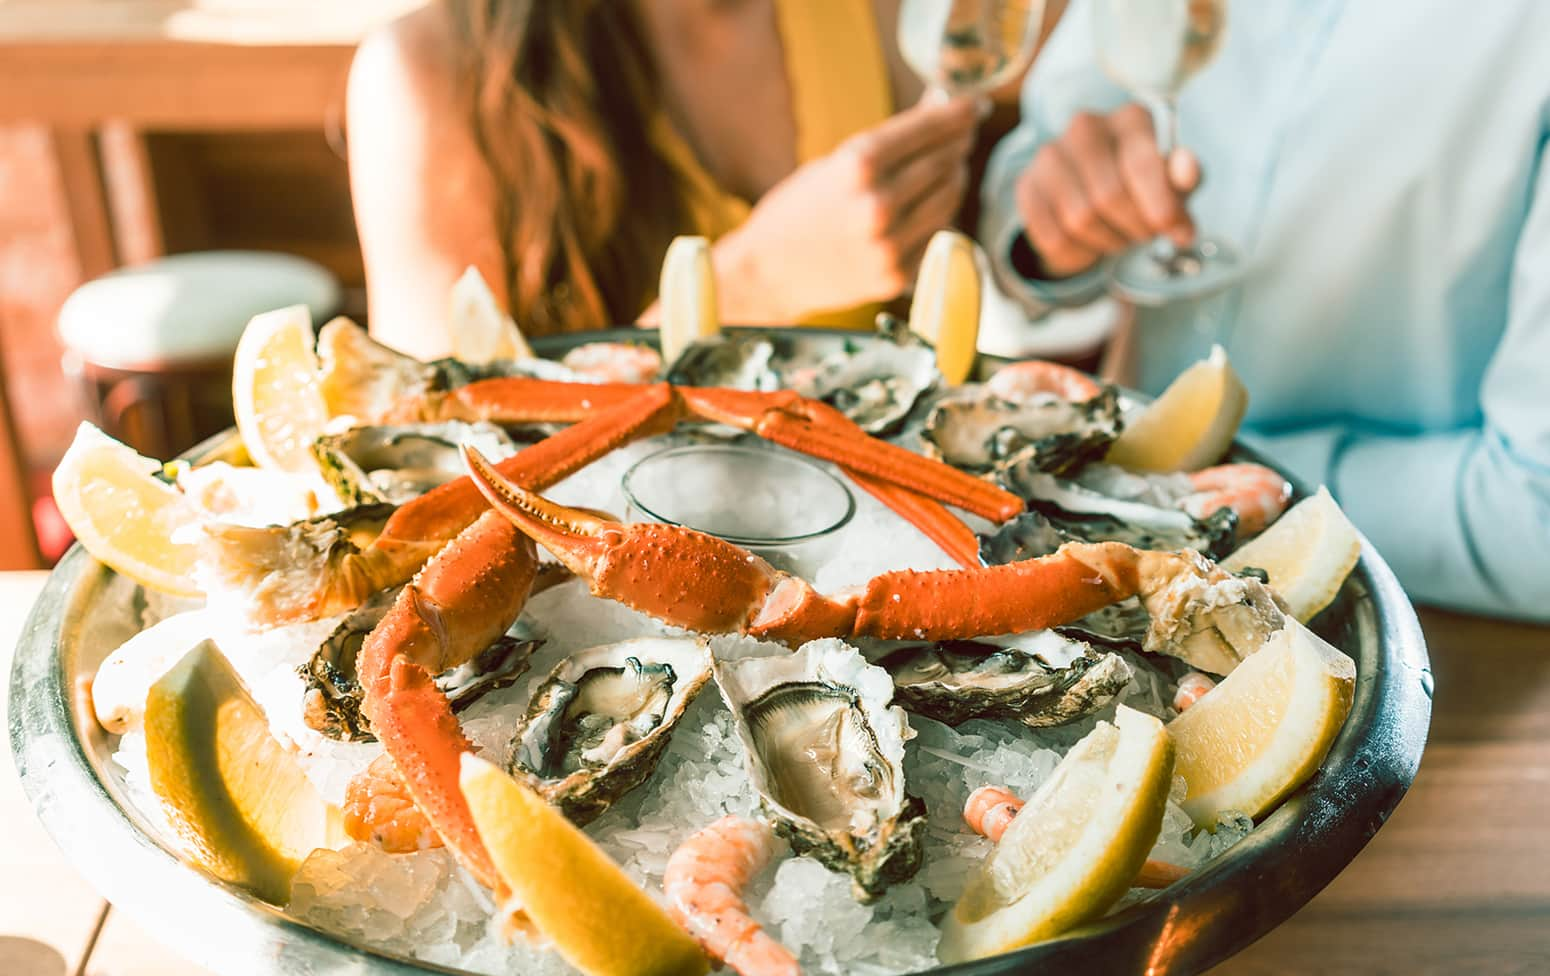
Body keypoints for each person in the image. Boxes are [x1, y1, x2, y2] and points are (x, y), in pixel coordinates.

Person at [980, 0, 1550, 620]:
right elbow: (1028, 182)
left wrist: (1166, 487)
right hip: (1091, 560)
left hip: (1389, 622)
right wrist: (1049, 246)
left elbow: (1536, 524)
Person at [348, 0, 1051, 356]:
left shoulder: (892, 21)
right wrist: (753, 283)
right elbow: (432, 457)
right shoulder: (427, 72)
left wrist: (1054, 237)